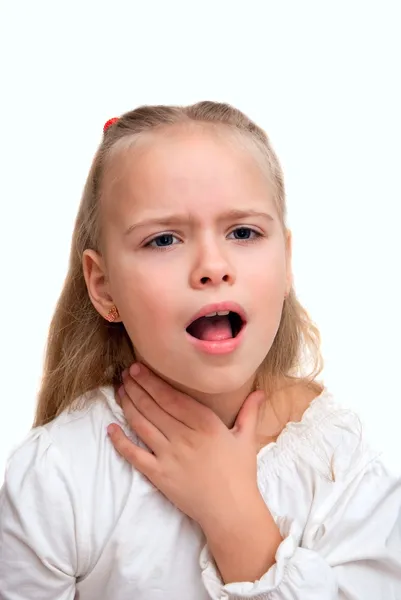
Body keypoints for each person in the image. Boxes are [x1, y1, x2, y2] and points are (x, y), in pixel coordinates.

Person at [0, 102, 400, 600]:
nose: (213, 266)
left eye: (243, 232)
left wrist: (233, 516)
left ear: (286, 263)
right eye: (164, 239)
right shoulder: (60, 475)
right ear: (103, 287)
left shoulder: (340, 462)